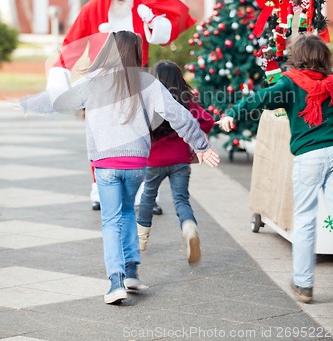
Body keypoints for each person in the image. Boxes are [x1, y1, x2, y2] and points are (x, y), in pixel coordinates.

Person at [25, 31, 220, 305]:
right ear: (136, 53)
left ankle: (116, 281)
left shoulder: (93, 81)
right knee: (128, 211)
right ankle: (130, 273)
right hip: (137, 165)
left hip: (106, 164)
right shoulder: (147, 82)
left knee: (111, 220)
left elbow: (58, 101)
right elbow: (179, 114)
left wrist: (25, 103)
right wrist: (201, 145)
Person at [47, 0, 195, 211]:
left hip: (137, 78)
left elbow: (163, 32)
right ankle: (100, 189)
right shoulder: (92, 9)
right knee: (100, 135)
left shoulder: (141, 5)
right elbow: (71, 43)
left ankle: (145, 194)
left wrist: (154, 23)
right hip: (101, 80)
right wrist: (60, 73)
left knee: (143, 135)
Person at [216, 33, 333, 304]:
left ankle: (304, 285)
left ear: (298, 59)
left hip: (310, 158)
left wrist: (233, 113)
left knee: (304, 219)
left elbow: (260, 98)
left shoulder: (290, 83)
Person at [137, 61, 215, 264]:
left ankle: (141, 239)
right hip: (180, 160)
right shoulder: (187, 101)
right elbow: (206, 121)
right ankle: (189, 227)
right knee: (181, 199)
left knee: (148, 197)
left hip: (154, 161)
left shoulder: (149, 101)